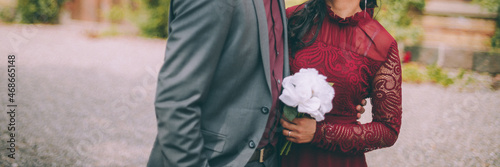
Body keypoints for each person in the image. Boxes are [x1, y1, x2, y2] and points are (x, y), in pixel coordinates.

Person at [147, 0, 367, 166]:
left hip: (269, 158)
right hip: (219, 159)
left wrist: (340, 101)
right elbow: (175, 100)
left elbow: (270, 69)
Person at [280, 0, 402, 167]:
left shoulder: (381, 44)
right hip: (282, 155)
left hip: (338, 161)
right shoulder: (291, 19)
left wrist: (320, 133)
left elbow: (388, 130)